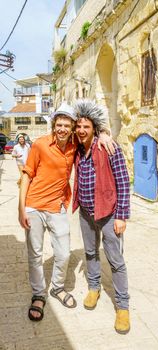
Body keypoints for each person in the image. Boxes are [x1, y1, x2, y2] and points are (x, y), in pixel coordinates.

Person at [18, 101, 113, 322]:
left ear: (71, 128)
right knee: (35, 254)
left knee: (63, 253)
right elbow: (26, 175)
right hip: (33, 206)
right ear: (54, 125)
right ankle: (38, 294)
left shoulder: (74, 146)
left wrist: (106, 133)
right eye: (58, 124)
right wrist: (21, 208)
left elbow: (89, 132)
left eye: (66, 125)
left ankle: (57, 287)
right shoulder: (40, 145)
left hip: (57, 206)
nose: (62, 129)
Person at [72, 99, 130, 334]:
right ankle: (94, 288)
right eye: (79, 126)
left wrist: (121, 216)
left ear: (94, 128)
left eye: (86, 126)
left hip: (108, 213)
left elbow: (123, 182)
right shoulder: (77, 149)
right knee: (90, 252)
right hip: (85, 213)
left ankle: (123, 307)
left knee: (116, 260)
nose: (81, 130)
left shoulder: (108, 146)